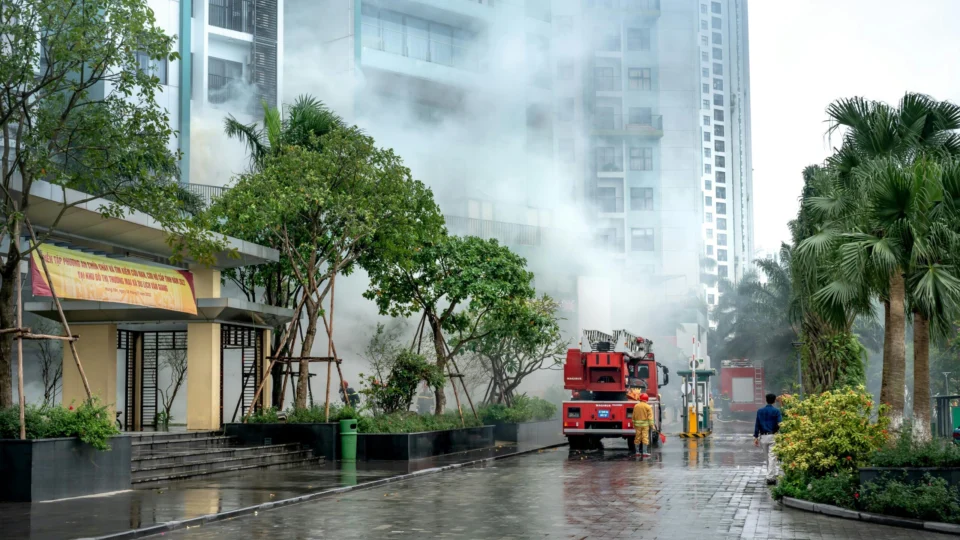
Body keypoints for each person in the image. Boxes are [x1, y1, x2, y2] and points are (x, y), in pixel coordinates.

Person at [754, 392, 783, 484]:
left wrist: (756, 437)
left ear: (766, 400)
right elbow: (780, 423)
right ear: (774, 401)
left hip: (763, 437)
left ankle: (771, 475)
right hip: (773, 436)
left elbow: (757, 424)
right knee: (772, 457)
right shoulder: (776, 411)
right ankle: (770, 477)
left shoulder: (760, 411)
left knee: (768, 458)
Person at [632, 392, 654, 458]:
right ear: (646, 399)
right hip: (645, 426)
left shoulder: (636, 406)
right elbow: (650, 418)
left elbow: (633, 416)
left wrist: (633, 424)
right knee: (645, 437)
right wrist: (652, 425)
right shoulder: (648, 407)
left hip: (637, 425)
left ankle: (637, 452)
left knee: (637, 438)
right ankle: (644, 452)